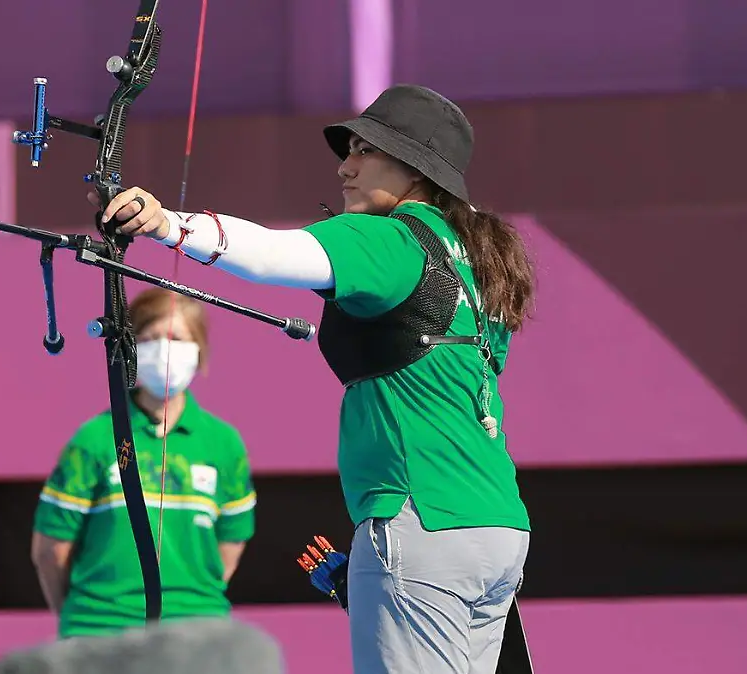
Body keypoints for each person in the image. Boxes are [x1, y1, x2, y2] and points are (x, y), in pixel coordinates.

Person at [85, 84, 537, 674]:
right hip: (497, 528)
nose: (344, 167)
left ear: (415, 169)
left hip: (421, 518)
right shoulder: (478, 258)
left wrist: (168, 224)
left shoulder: (395, 238)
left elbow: (271, 255)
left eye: (364, 151)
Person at [31, 287, 257, 639]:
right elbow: (50, 549)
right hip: (101, 630)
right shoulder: (93, 438)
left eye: (177, 338)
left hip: (199, 635)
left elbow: (231, 542)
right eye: (150, 338)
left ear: (199, 349)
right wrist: (86, 619)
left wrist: (188, 605)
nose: (165, 351)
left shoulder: (224, 443)